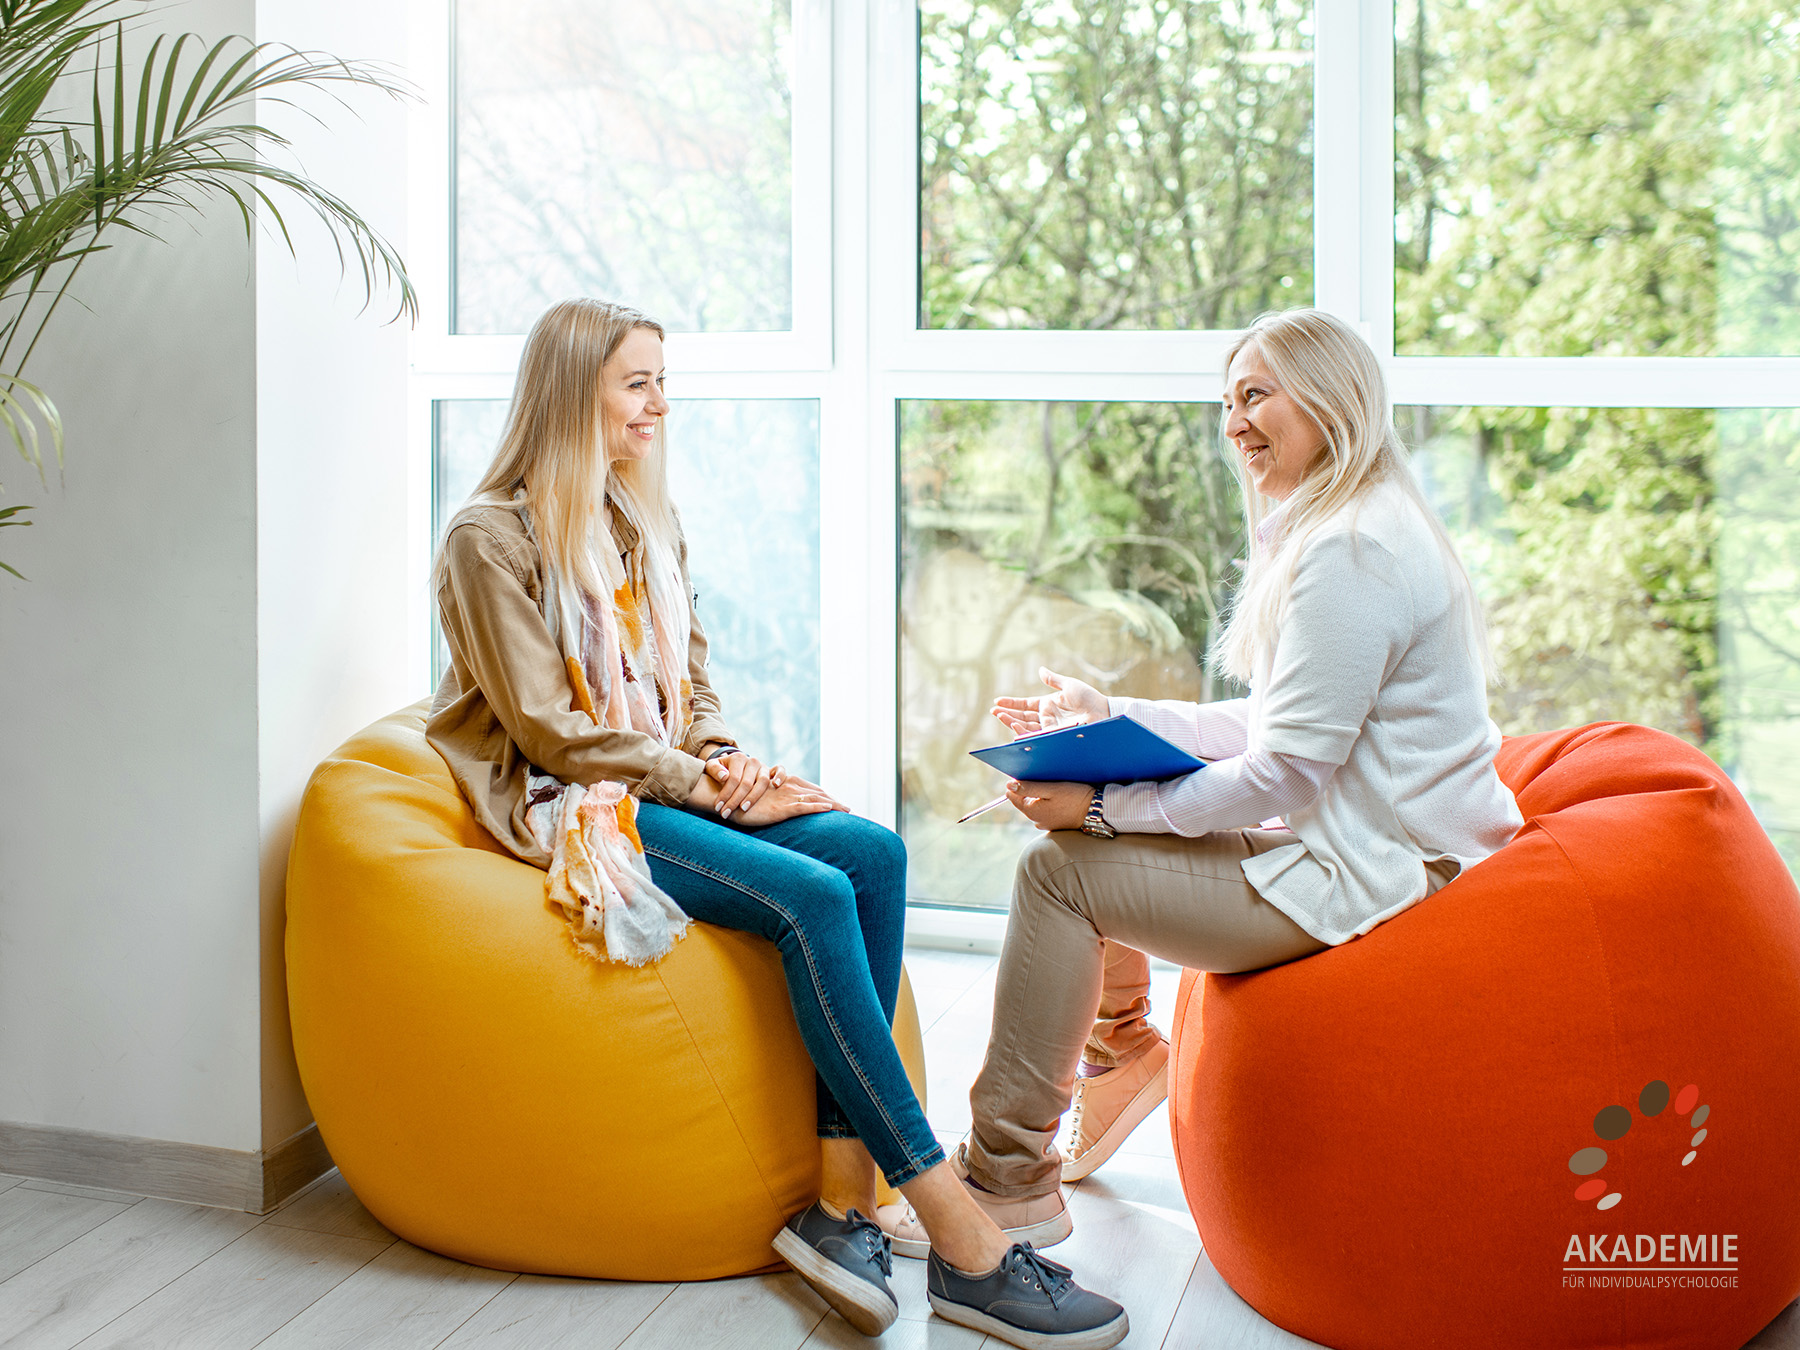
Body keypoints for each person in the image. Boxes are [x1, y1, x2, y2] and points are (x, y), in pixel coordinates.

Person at [426, 298, 1128, 1350]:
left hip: (657, 781)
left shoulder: (640, 519)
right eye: (638, 383)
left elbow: (691, 688)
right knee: (809, 895)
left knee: (872, 854)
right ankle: (958, 1231)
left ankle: (840, 1207)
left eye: (662, 381)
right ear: (573, 394)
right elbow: (550, 733)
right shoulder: (488, 539)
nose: (660, 405)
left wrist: (722, 760)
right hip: (572, 804)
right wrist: (701, 785)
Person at [951, 307, 1525, 1234]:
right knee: (1081, 839)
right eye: (1227, 404)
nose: (1234, 425)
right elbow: (1281, 720)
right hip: (1376, 850)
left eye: (1255, 396)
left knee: (1058, 872)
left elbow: (1285, 770)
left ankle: (1003, 1183)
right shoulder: (1353, 524)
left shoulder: (1351, 552)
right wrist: (1114, 719)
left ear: (1330, 398)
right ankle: (1121, 1052)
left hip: (1388, 876)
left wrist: (1102, 809)